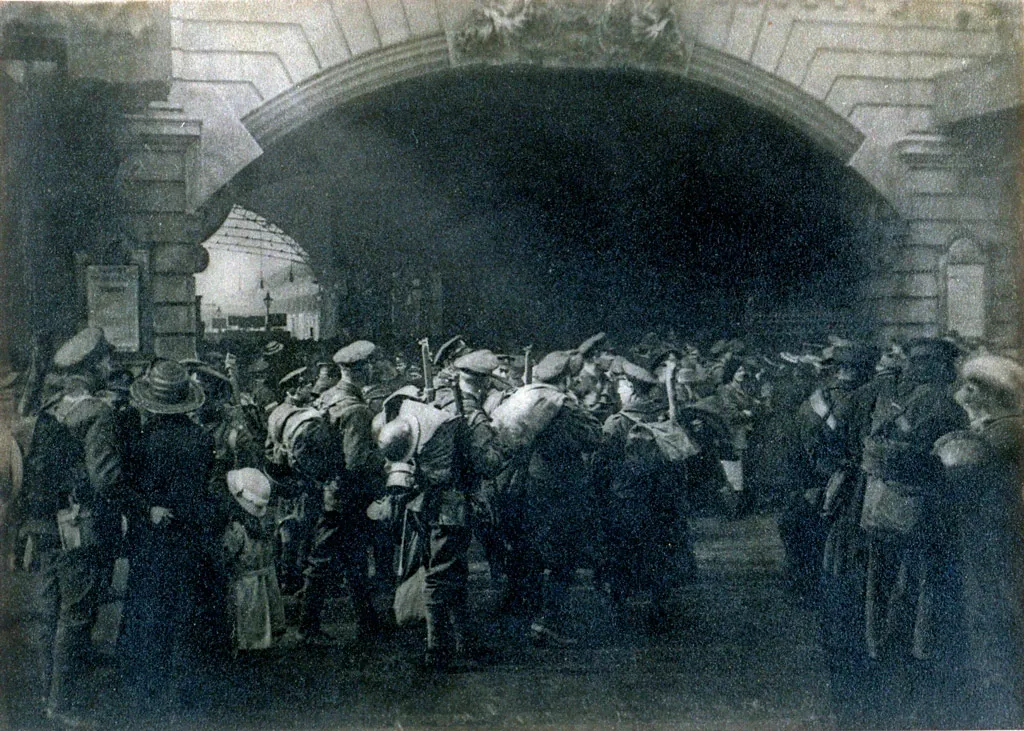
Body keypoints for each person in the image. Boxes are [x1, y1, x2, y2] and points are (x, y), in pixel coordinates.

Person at [859, 337, 967, 727]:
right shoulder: (943, 402)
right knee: (923, 586)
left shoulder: (897, 399)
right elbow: (939, 461)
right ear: (944, 367)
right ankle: (920, 653)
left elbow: (873, 448)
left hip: (883, 509)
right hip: (923, 510)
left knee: (888, 584)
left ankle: (884, 648)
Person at [27, 328, 126, 728]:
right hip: (79, 526)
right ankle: (63, 705)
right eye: (104, 361)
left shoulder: (50, 407)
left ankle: (46, 690)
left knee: (49, 610)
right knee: (76, 614)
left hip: (45, 523)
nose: (109, 367)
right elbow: (105, 480)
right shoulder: (98, 414)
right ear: (90, 368)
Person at [119, 358, 228, 721]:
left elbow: (127, 488)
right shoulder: (200, 438)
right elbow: (204, 493)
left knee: (150, 611)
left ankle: (146, 688)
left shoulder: (141, 439)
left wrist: (148, 508)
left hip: (152, 540)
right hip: (190, 539)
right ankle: (186, 692)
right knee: (187, 611)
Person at [932, 354, 1024, 728]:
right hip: (990, 528)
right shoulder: (994, 427)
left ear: (992, 394)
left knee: (1000, 606)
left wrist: (954, 439)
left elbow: (955, 461)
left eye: (973, 387)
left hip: (998, 530)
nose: (964, 393)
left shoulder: (1005, 430)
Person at [491, 349, 601, 646]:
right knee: (563, 556)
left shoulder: (529, 396)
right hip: (561, 486)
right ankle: (548, 623)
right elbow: (594, 437)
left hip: (533, 481)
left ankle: (523, 616)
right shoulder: (562, 406)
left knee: (533, 550)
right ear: (566, 378)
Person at [299, 340, 386, 647]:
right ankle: (308, 625)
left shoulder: (328, 397)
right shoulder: (357, 411)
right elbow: (357, 461)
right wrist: (385, 458)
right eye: (371, 365)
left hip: (329, 491)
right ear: (363, 370)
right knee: (326, 559)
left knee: (353, 558)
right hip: (348, 495)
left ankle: (368, 621)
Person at [597, 359, 691, 630]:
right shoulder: (663, 420)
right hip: (660, 500)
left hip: (626, 499)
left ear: (630, 389)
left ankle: (619, 609)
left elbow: (601, 465)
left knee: (621, 553)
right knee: (659, 553)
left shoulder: (616, 423)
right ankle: (658, 608)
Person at [221, 467, 285, 653]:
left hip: (245, 583)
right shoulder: (267, 523)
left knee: (248, 620)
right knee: (265, 619)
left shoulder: (237, 529)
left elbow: (227, 554)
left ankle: (247, 650)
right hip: (265, 578)